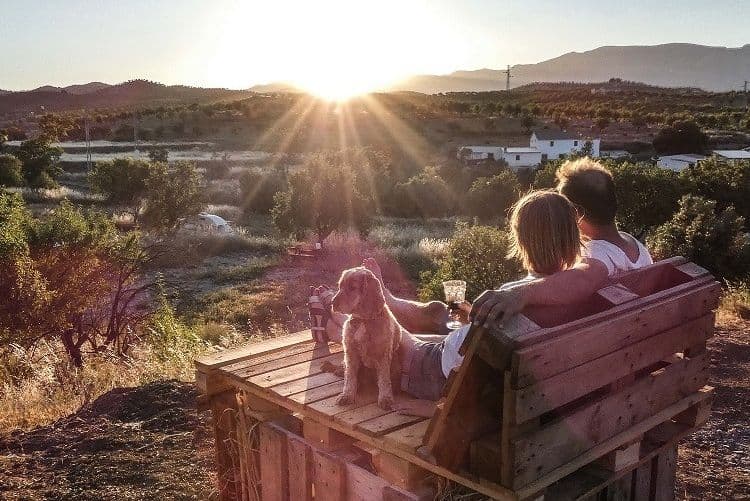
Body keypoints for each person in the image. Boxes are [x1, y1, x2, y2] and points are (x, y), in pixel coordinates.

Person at [309, 191, 582, 412]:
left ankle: (332, 318)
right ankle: (343, 314)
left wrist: (427, 409)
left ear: (522, 239)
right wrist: (465, 316)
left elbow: (468, 382)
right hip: (442, 356)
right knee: (411, 319)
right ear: (571, 237)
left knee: (372, 328)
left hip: (427, 372)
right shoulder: (568, 292)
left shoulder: (515, 297)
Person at [471, 158, 653, 329]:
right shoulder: (634, 245)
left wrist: (519, 294)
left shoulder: (597, 254)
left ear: (575, 214)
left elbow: (583, 278)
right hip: (632, 343)